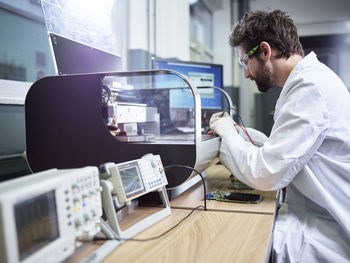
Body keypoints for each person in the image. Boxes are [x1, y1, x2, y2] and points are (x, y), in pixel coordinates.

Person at [209, 9, 350, 262]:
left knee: (232, 244)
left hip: (326, 228)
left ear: (265, 51)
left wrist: (228, 134)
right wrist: (243, 136)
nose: (245, 73)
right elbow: (294, 151)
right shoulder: (308, 80)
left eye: (244, 62)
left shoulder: (310, 88)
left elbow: (267, 173)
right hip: (316, 211)